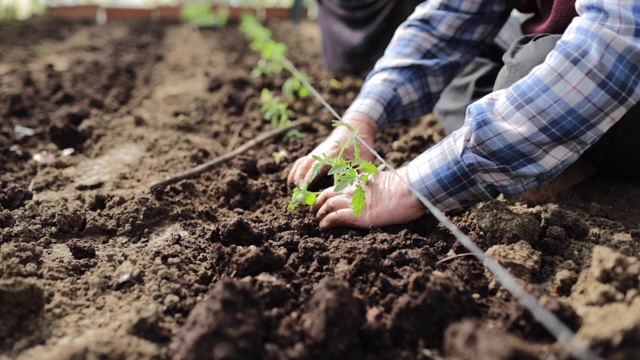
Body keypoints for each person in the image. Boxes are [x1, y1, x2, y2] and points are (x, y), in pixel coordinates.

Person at [288, 0, 640, 229]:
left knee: (527, 69)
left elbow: (613, 48)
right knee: (467, 71)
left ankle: (562, 150)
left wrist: (412, 185)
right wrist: (362, 120)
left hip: (618, 62)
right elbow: (444, 25)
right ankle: (546, 147)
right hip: (587, 51)